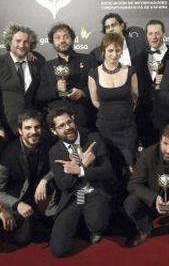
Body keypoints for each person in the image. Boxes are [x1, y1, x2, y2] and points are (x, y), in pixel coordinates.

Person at [47, 108, 112, 257]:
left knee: (98, 223)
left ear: (73, 120)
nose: (67, 127)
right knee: (59, 250)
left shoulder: (93, 138)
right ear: (54, 131)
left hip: (94, 191)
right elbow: (63, 185)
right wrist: (82, 165)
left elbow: (107, 171)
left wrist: (81, 170)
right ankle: (81, 222)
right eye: (61, 126)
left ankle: (91, 224)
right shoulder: (54, 151)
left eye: (69, 122)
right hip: (74, 196)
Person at [88, 33, 138, 189]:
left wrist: (123, 113)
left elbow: (135, 98)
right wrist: (111, 113)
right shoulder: (93, 73)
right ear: (103, 51)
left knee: (131, 167)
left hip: (127, 128)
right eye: (110, 50)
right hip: (105, 129)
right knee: (110, 169)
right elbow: (95, 101)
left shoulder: (131, 71)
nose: (114, 54)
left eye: (118, 50)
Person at [0, 110, 54, 245]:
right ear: (20, 130)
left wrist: (45, 180)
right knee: (22, 238)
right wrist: (16, 205)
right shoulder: (8, 154)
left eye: (37, 127)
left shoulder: (47, 142)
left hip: (39, 198)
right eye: (28, 128)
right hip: (16, 200)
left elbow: (58, 163)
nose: (33, 132)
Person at [37, 23, 96, 129]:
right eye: (58, 38)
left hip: (86, 120)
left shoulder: (88, 60)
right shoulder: (46, 67)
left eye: (66, 37)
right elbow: (40, 95)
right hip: (58, 124)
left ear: (72, 39)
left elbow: (99, 86)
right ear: (52, 42)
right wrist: (57, 90)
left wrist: (83, 93)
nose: (62, 41)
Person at [0, 25, 43, 139]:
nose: (22, 45)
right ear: (9, 42)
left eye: (26, 42)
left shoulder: (37, 63)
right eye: (18, 41)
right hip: (6, 129)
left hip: (30, 131)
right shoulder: (1, 63)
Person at [142, 19, 169, 145]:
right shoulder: (139, 57)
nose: (154, 37)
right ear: (146, 35)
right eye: (150, 33)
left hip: (168, 114)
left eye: (157, 33)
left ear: (164, 34)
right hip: (145, 116)